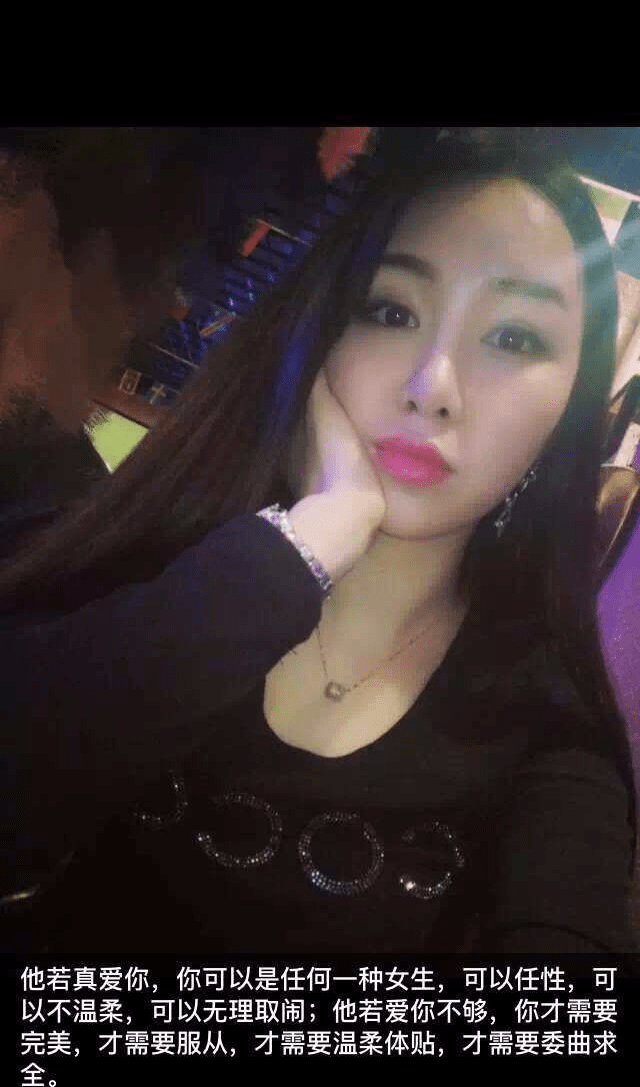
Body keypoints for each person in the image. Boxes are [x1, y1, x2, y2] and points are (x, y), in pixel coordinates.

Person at [0, 134, 637, 956]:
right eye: (392, 311)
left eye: (513, 338)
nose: (433, 388)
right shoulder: (148, 565)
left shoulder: (548, 725)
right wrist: (311, 542)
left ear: (570, 412)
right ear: (319, 328)